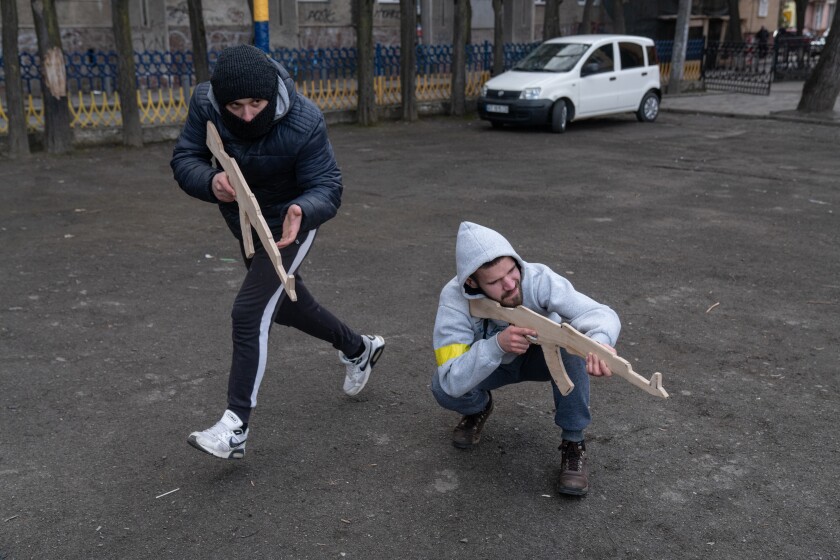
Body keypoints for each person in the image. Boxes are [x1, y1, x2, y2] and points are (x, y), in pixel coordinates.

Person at [170, 44, 385, 460]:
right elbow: (185, 158)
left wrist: (303, 210)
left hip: (290, 227)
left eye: (257, 103)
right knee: (285, 304)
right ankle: (359, 348)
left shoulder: (305, 120)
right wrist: (210, 182)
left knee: (249, 312)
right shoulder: (205, 103)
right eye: (236, 105)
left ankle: (235, 428)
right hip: (246, 223)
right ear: (220, 99)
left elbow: (328, 186)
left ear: (272, 93)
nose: (248, 114)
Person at [431, 222, 620, 495]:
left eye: (511, 270)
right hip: (493, 364)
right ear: (471, 282)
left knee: (575, 345)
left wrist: (600, 341)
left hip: (543, 358)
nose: (510, 284)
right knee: (441, 387)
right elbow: (450, 378)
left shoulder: (538, 277)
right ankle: (478, 408)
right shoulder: (454, 301)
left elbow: (599, 312)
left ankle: (573, 442)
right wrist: (496, 346)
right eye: (495, 281)